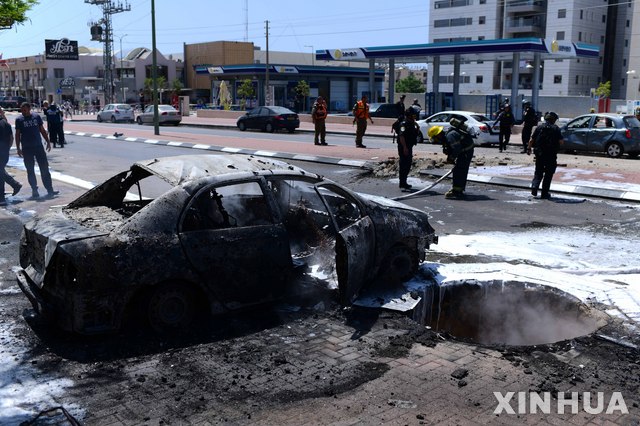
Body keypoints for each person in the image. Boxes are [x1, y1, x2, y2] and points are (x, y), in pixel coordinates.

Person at [14, 102, 59, 199]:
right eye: (22, 110)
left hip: (38, 147)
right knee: (30, 170)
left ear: (29, 109)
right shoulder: (19, 120)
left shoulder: (36, 117)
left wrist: (47, 141)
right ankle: (34, 190)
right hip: (27, 149)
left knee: (45, 169)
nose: (23, 112)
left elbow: (42, 130)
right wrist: (18, 148)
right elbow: (17, 135)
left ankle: (50, 190)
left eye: (25, 110)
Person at [428, 118, 475, 200]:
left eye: (435, 138)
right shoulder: (447, 136)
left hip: (466, 152)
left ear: (438, 135)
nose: (436, 141)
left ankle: (457, 192)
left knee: (459, 170)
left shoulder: (450, 136)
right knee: (460, 170)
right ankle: (459, 189)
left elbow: (456, 148)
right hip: (464, 152)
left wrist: (451, 158)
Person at [527, 111, 564, 199]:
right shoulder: (556, 129)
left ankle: (534, 187)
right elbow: (561, 142)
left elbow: (531, 140)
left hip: (539, 154)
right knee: (548, 174)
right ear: (554, 120)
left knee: (538, 172)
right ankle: (544, 193)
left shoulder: (539, 127)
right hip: (551, 155)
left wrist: (529, 149)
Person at [0, 107, 22, 205]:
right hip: (5, 152)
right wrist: (7, 149)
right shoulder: (6, 123)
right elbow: (11, 138)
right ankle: (3, 194)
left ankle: (14, 185)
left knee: (0, 173)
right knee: (1, 172)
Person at [397, 108, 420, 190]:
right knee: (403, 164)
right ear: (409, 116)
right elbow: (401, 136)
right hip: (404, 147)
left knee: (408, 164)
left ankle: (404, 182)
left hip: (409, 146)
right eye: (413, 115)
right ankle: (402, 182)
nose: (414, 117)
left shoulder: (411, 123)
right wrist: (405, 148)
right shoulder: (403, 124)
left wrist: (417, 128)